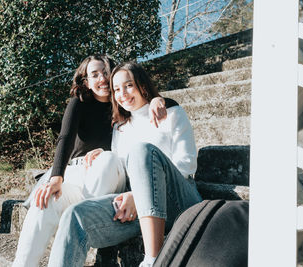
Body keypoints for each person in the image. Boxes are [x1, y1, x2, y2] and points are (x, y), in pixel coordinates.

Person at [12, 56, 172, 267]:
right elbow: (65, 138)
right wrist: (56, 177)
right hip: (78, 174)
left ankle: (84, 226)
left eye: (106, 72)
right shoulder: (79, 104)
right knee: (45, 201)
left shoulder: (123, 103)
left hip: (111, 172)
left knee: (107, 158)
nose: (102, 78)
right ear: (86, 81)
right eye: (94, 74)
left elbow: (153, 104)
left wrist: (158, 100)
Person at [46, 62, 202, 267]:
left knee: (141, 151)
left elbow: (187, 165)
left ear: (142, 85)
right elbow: (123, 170)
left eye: (129, 85)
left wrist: (139, 194)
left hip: (180, 201)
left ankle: (152, 260)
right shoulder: (120, 126)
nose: (122, 94)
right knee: (74, 215)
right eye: (116, 89)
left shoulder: (170, 112)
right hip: (138, 209)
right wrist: (105, 155)